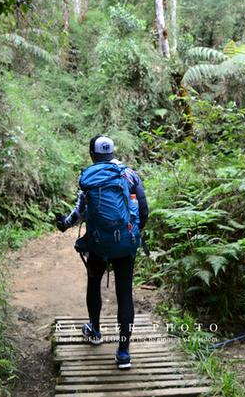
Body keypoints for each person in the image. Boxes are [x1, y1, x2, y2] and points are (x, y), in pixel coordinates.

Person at [56, 135, 148, 370]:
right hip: (126, 244)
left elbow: (80, 211)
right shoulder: (129, 174)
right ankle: (124, 353)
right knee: (125, 295)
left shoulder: (88, 176)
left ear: (92, 154)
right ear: (112, 152)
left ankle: (95, 331)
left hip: (98, 245)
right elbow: (144, 211)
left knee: (93, 285)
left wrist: (65, 224)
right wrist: (132, 235)